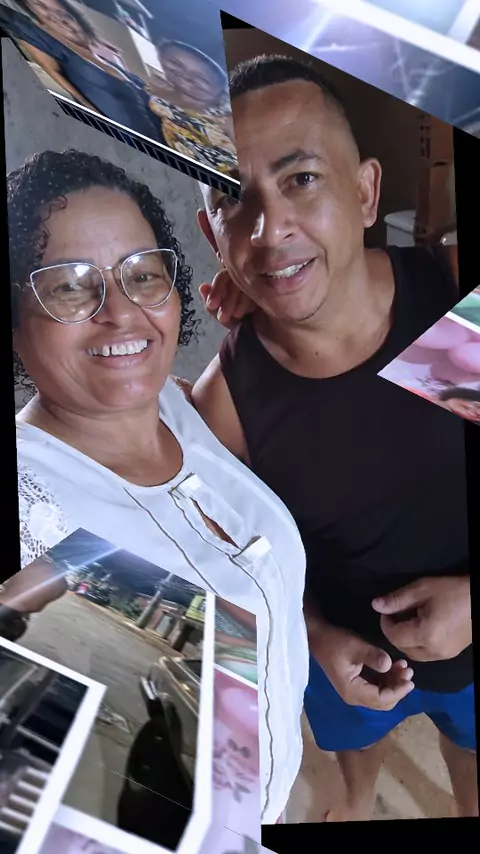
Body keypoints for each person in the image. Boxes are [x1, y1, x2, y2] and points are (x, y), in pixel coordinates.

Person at [192, 55, 476, 820]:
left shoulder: (451, 306)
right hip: (345, 658)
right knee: (354, 764)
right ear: (211, 231)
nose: (269, 228)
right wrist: (313, 631)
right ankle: (355, 796)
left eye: (302, 178)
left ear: (365, 192)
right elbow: (236, 562)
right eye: (232, 197)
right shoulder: (226, 403)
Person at [5, 149, 309, 826]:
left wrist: (307, 634)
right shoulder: (32, 507)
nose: (120, 312)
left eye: (142, 274)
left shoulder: (175, 404)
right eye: (69, 286)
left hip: (274, 799)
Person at [0, 0, 162, 141]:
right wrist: (90, 110)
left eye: (65, 17)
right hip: (124, 125)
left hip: (152, 119)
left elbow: (134, 86)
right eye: (37, 5)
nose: (60, 20)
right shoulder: (52, 46)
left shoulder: (102, 49)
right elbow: (54, 72)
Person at [147, 39, 237, 173]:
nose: (185, 77)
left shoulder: (229, 120)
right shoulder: (157, 92)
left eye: (202, 78)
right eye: (175, 63)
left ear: (221, 87)